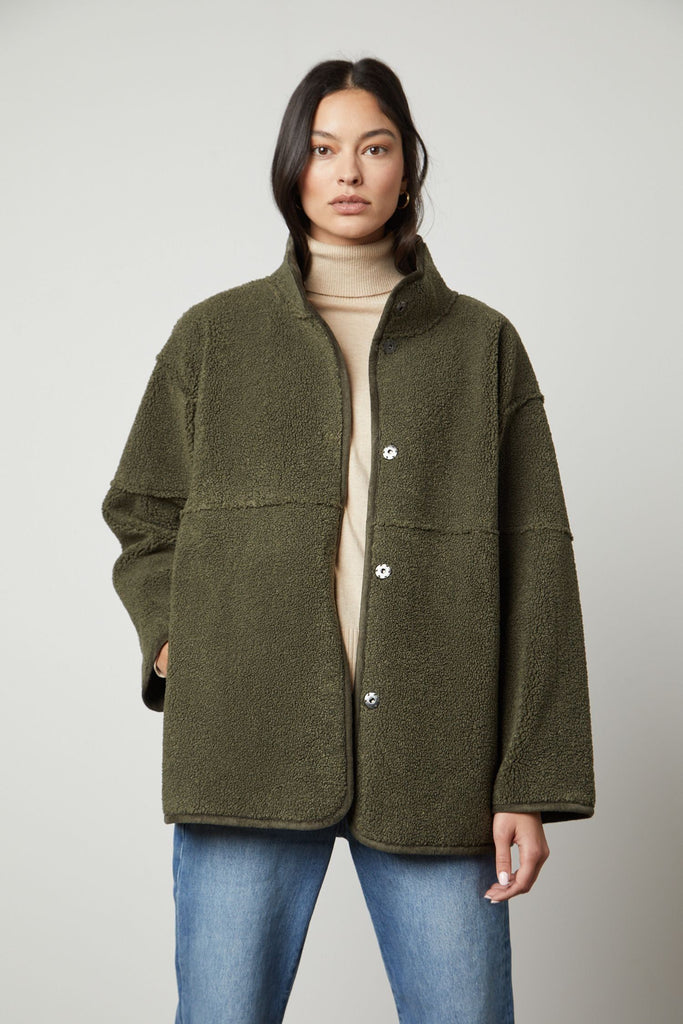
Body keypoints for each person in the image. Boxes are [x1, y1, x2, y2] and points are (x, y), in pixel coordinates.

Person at [101, 56, 595, 1024]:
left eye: (373, 148)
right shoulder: (215, 336)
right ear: (293, 168)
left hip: (438, 758)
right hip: (244, 744)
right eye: (324, 149)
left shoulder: (481, 344)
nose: (347, 172)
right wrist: (170, 639)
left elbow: (538, 561)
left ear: (406, 167)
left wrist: (527, 780)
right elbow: (143, 511)